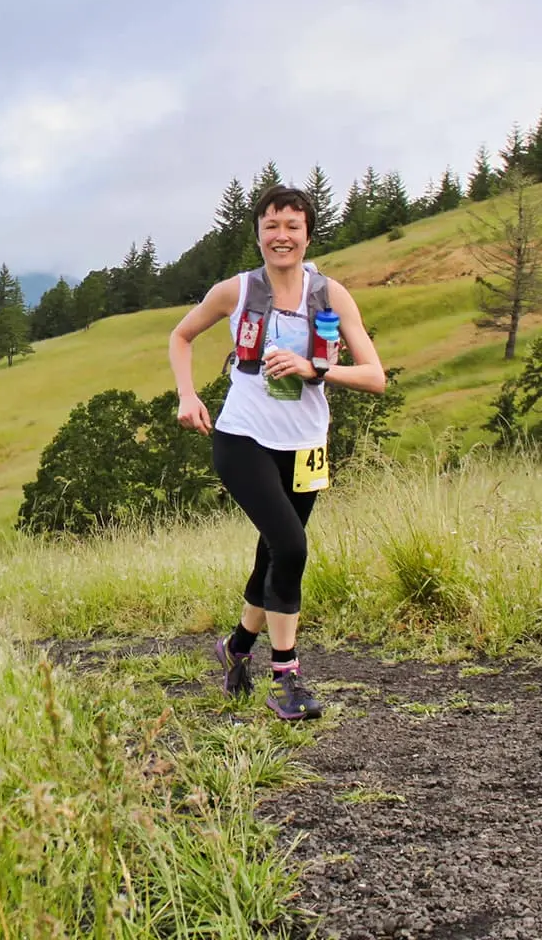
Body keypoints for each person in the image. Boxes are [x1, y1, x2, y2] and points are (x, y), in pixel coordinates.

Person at [166, 184, 386, 720]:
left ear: (308, 234)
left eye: (292, 226)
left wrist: (316, 368)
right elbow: (181, 335)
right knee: (291, 547)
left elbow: (376, 377)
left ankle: (236, 647)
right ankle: (286, 679)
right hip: (242, 438)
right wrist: (187, 395)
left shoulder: (331, 295)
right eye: (271, 226)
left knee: (274, 551)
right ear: (258, 235)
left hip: (307, 445)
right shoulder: (235, 291)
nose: (281, 236)